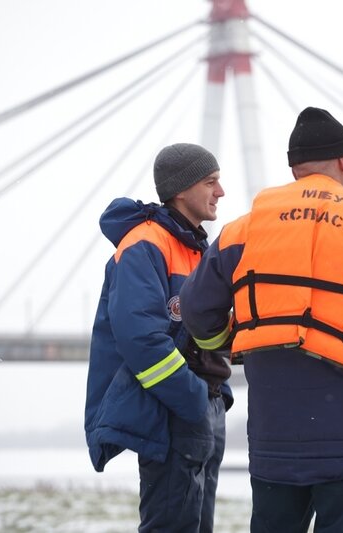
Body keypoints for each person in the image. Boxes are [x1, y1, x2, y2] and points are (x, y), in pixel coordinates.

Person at [179, 107, 343, 532]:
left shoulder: (245, 229)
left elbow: (196, 309)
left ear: (295, 169)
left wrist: (227, 341)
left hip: (274, 436)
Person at [84, 143, 233, 533]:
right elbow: (142, 341)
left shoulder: (195, 248)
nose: (221, 192)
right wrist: (194, 399)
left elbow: (205, 332)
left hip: (203, 408)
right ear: (181, 190)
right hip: (175, 413)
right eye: (211, 182)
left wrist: (219, 392)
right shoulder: (145, 245)